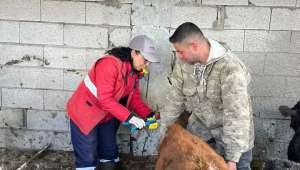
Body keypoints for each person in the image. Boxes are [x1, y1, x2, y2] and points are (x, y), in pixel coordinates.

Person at [161, 22, 254, 170]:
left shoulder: (231, 68)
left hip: (232, 140)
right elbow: (175, 97)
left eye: (180, 51)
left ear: (194, 46)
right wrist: (165, 131)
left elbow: (236, 115)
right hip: (202, 135)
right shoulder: (184, 64)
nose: (178, 56)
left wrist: (232, 159)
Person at [67, 35, 160, 170]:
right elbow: (105, 99)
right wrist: (131, 117)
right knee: (87, 157)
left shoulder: (133, 73)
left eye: (149, 62)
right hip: (85, 114)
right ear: (134, 52)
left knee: (109, 154)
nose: (147, 65)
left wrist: (149, 114)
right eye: (145, 60)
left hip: (106, 115)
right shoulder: (109, 64)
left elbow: (134, 99)